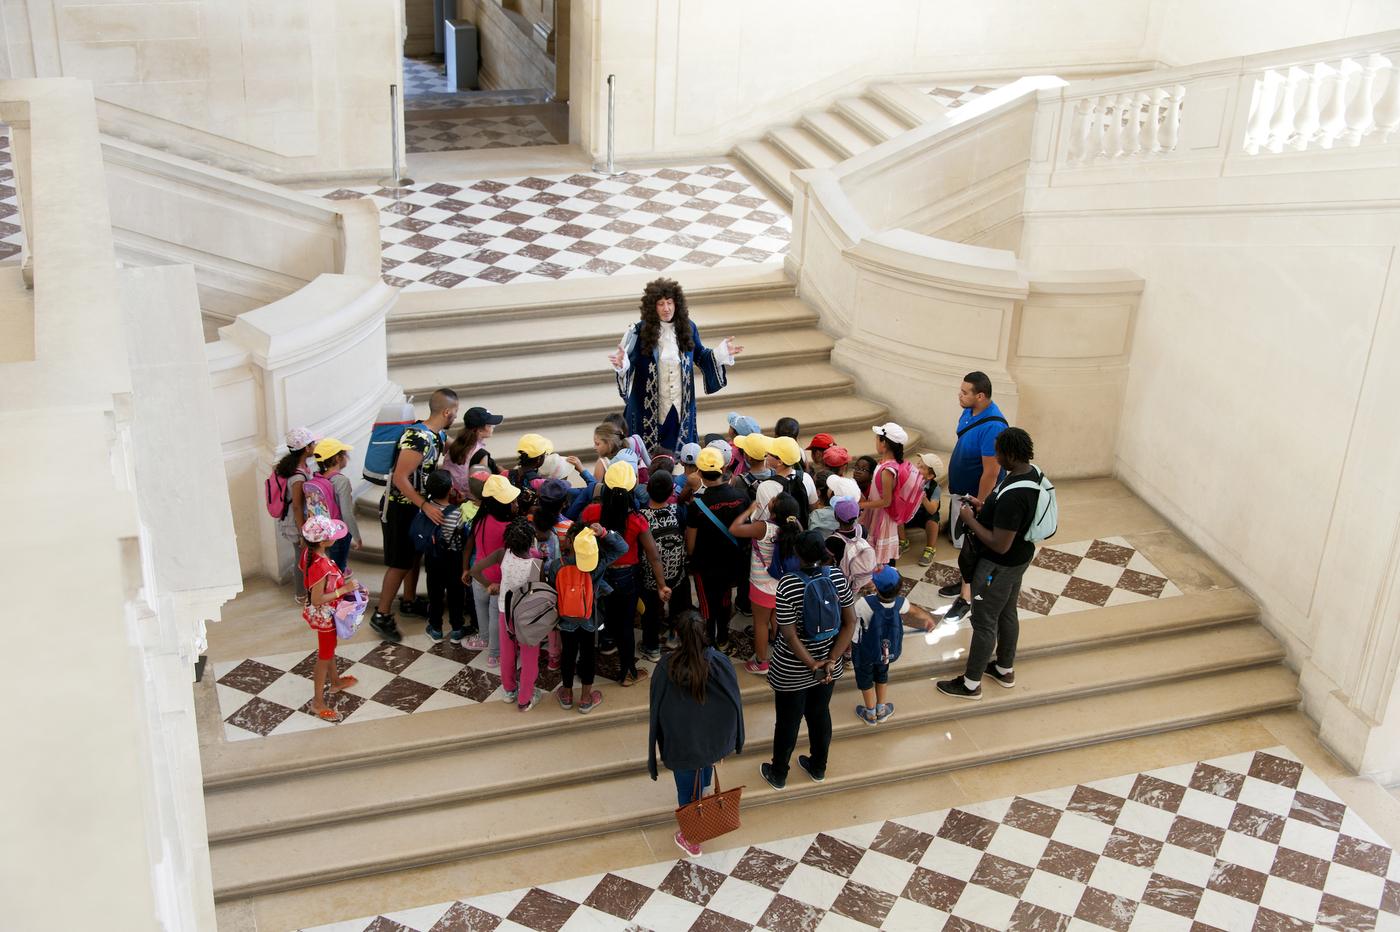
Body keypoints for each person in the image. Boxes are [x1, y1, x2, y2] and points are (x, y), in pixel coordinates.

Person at [937, 428, 1040, 701]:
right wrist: (984, 506)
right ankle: (1004, 668)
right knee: (1007, 611)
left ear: (1010, 453)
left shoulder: (1014, 496)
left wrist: (969, 518)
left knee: (984, 621)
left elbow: (999, 543)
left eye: (999, 452)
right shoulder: (1031, 474)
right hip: (1019, 559)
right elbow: (1009, 523)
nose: (995, 457)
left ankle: (971, 685)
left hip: (997, 565)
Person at [762, 531, 857, 789]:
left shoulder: (789, 584)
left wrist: (810, 663)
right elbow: (851, 622)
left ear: (797, 555)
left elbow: (789, 634)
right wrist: (830, 660)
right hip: (829, 665)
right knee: (819, 715)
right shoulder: (837, 576)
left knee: (788, 722)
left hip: (792, 668)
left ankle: (779, 773)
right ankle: (818, 767)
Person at [648, 610, 745, 858]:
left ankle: (691, 836)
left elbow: (658, 708)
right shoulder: (719, 663)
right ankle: (699, 811)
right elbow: (732, 704)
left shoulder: (665, 667)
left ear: (677, 635)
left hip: (681, 745)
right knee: (702, 781)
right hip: (710, 743)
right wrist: (725, 743)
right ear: (705, 633)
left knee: (685, 788)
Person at [609, 278, 745, 449]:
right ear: (653, 307)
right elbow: (630, 363)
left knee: (678, 454)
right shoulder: (639, 331)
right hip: (648, 410)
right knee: (648, 457)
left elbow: (700, 356)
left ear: (676, 303)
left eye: (669, 302)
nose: (666, 308)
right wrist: (623, 365)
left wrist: (720, 353)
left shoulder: (688, 327)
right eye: (660, 304)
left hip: (681, 407)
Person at [371, 388, 458, 642]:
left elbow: (460, 449)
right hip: (400, 507)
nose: (455, 415)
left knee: (414, 554)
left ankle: (409, 601)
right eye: (455, 412)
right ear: (447, 412)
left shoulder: (438, 433)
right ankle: (381, 614)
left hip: (416, 506)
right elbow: (400, 478)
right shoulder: (417, 438)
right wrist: (425, 505)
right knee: (399, 562)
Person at [581, 461, 673, 687]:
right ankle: (628, 672)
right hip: (626, 578)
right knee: (625, 625)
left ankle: (605, 645)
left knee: (603, 615)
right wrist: (662, 585)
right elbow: (654, 556)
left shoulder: (592, 512)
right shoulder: (637, 520)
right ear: (632, 490)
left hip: (599, 575)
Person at [940, 371, 1010, 613]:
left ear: (980, 396)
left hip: (975, 498)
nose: (959, 395)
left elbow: (991, 472)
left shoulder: (992, 426)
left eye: (964, 392)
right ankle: (965, 581)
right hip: (962, 492)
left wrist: (978, 504)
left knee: (972, 547)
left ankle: (966, 597)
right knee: (964, 546)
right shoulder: (969, 411)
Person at [548, 524, 627, 713]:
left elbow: (553, 589)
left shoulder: (557, 565)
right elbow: (623, 548)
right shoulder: (597, 564)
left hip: (565, 619)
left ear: (568, 541)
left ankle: (566, 695)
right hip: (589, 619)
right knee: (588, 655)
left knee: (567, 654)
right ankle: (585, 699)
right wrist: (604, 533)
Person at [471, 518, 547, 711]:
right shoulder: (536, 562)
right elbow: (539, 589)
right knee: (529, 657)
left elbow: (475, 570)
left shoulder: (501, 554)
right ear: (531, 541)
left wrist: (490, 585)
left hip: (505, 613)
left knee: (507, 653)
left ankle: (509, 691)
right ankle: (525, 699)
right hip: (526, 618)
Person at [731, 485, 802, 675]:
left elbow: (735, 529)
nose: (770, 500)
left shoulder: (763, 528)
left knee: (760, 623)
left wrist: (748, 511)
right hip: (784, 585)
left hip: (762, 585)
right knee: (776, 616)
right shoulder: (796, 527)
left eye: (774, 500)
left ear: (774, 509)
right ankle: (776, 638)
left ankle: (761, 662)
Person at [853, 566, 937, 724]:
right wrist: (927, 618)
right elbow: (914, 611)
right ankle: (882, 709)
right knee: (882, 674)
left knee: (865, 678)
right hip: (886, 649)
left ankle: (870, 713)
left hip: (864, 649)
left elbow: (851, 623)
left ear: (876, 587)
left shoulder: (864, 603)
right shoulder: (901, 602)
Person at [300, 514, 362, 722]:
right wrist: (343, 589)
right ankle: (317, 702)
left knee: (329, 649)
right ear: (325, 541)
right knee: (324, 656)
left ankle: (335, 682)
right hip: (326, 616)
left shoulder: (310, 554)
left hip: (327, 614)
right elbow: (317, 599)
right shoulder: (322, 565)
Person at [684, 447, 747, 650]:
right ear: (723, 468)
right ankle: (723, 638)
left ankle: (709, 639)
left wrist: (692, 559)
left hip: (706, 565)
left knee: (706, 603)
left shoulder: (697, 506)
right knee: (725, 599)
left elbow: (691, 543)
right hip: (732, 562)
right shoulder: (741, 497)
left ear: (699, 473)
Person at [460, 474, 519, 662]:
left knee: (480, 608)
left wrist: (465, 569)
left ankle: (483, 639)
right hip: (498, 580)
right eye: (512, 501)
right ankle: (495, 653)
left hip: (478, 574)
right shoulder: (509, 527)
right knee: (496, 616)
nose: (515, 504)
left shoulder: (480, 518)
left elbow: (469, 545)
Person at [413, 470, 469, 643]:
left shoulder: (426, 510)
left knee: (435, 594)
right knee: (456, 594)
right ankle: (457, 630)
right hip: (454, 559)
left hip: (432, 558)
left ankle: (435, 629)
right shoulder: (458, 513)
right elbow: (463, 539)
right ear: (451, 488)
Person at [639, 471, 688, 661]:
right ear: (670, 493)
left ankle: (651, 648)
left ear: (648, 490)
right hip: (677, 572)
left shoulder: (641, 515)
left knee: (650, 612)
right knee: (678, 607)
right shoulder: (679, 511)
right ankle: (674, 637)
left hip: (651, 576)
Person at [860, 423, 912, 565]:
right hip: (877, 514)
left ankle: (885, 579)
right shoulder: (884, 464)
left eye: (877, 439)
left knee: (881, 558)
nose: (875, 442)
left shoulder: (888, 470)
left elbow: (886, 501)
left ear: (884, 443)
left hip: (882, 517)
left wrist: (862, 504)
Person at [305, 438, 360, 571]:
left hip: (322, 532)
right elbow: (346, 513)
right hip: (338, 532)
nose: (347, 457)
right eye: (345, 454)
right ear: (337, 458)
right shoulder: (341, 481)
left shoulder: (317, 477)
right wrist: (357, 536)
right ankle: (337, 590)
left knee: (327, 566)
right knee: (338, 568)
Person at [441, 407, 504, 498]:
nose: (493, 428)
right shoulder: (481, 454)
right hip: (469, 501)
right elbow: (482, 487)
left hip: (450, 497)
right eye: (490, 425)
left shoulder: (456, 445)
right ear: (480, 430)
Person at [766, 435, 818, 526]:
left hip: (778, 537)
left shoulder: (766, 486)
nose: (766, 454)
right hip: (802, 533)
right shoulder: (806, 477)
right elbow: (813, 508)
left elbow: (764, 519)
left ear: (780, 462)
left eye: (770, 453)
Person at [911, 452, 945, 566]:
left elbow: (932, 509)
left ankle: (930, 548)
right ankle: (902, 541)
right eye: (918, 464)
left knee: (933, 517)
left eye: (922, 467)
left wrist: (923, 497)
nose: (917, 468)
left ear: (930, 476)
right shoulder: (910, 480)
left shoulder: (935, 488)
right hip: (910, 514)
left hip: (924, 515)